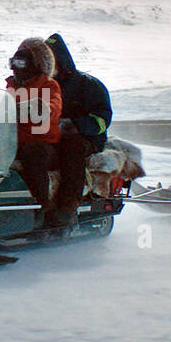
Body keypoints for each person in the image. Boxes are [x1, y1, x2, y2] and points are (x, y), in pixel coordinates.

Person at [44, 33, 112, 226]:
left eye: (50, 59)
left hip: (85, 138)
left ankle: (67, 208)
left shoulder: (88, 85)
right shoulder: (41, 86)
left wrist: (75, 126)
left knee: (70, 147)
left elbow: (102, 118)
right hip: (50, 136)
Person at [5, 37, 62, 220]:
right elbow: (1, 106)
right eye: (13, 62)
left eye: (20, 63)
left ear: (33, 65)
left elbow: (55, 105)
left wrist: (43, 108)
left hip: (42, 142)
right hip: (15, 140)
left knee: (33, 153)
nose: (15, 67)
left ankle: (39, 207)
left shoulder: (49, 85)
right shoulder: (11, 86)